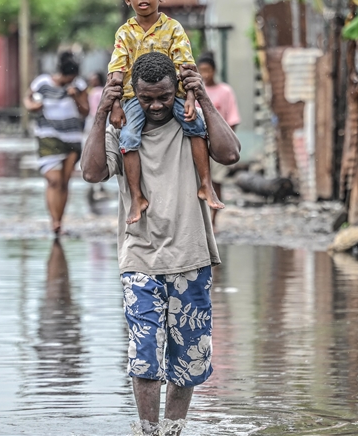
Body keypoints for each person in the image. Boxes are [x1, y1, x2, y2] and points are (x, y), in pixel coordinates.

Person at [81, 51, 240, 436]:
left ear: (175, 91)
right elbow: (90, 172)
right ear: (135, 93)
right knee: (144, 356)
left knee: (188, 358)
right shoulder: (122, 132)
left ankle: (174, 430)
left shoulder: (192, 124)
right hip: (139, 258)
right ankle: (149, 431)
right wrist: (102, 111)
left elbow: (231, 153)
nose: (155, 105)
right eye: (148, 97)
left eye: (164, 97)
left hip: (191, 256)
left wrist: (201, 97)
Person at [107, 0, 223, 226]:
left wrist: (191, 100)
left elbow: (186, 66)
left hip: (175, 93)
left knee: (196, 125)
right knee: (128, 137)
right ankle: (137, 196)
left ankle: (206, 183)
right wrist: (115, 105)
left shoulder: (174, 29)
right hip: (135, 98)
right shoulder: (125, 33)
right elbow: (116, 71)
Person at [23, 51, 89, 235]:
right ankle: (54, 221)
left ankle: (59, 222)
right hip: (48, 135)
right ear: (62, 73)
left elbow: (85, 111)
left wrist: (75, 97)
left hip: (72, 137)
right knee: (54, 180)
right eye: (68, 78)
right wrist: (33, 106)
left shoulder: (79, 86)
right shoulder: (42, 83)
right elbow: (28, 99)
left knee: (65, 182)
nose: (70, 81)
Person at [197, 52, 241, 229]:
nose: (205, 75)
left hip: (218, 143)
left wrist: (227, 144)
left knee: (216, 181)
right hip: (198, 142)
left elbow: (233, 119)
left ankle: (213, 218)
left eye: (208, 70)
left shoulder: (225, 91)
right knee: (199, 180)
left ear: (214, 71)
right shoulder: (194, 90)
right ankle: (202, 219)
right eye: (202, 71)